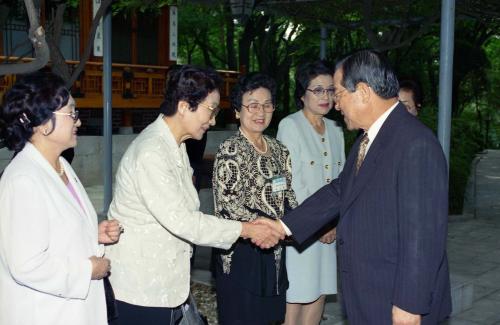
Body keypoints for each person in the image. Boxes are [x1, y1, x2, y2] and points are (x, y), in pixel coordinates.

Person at [259, 50, 452, 325]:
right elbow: (340, 190)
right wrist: (283, 226)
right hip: (370, 295)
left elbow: (423, 236)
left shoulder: (414, 143)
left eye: (338, 93)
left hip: (397, 302)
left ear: (362, 92)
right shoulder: (368, 139)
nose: (336, 104)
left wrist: (409, 306)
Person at [105, 65, 282, 325]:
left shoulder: (174, 147)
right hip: (140, 289)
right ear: (185, 105)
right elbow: (185, 222)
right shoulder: (151, 152)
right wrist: (247, 229)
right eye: (210, 109)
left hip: (165, 284)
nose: (212, 120)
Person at [0, 71, 122, 325]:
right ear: (44, 124)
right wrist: (88, 270)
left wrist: (92, 233)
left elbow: (53, 230)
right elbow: (26, 264)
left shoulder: (60, 166)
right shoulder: (24, 179)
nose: (78, 122)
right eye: (71, 113)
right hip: (46, 313)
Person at [212, 73, 297, 325]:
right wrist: (267, 228)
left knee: (270, 317)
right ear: (238, 111)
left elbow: (288, 196)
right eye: (253, 105)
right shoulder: (230, 149)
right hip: (242, 252)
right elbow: (227, 207)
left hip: (275, 252)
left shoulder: (279, 150)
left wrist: (299, 223)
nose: (261, 111)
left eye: (267, 104)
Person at [277, 60, 345, 325]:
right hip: (302, 229)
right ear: (302, 94)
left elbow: (342, 181)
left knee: (319, 293)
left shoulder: (337, 130)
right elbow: (291, 184)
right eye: (317, 90)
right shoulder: (290, 126)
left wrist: (335, 222)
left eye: (330, 90)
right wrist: (320, 224)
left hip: (329, 230)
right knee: (296, 296)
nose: (325, 96)